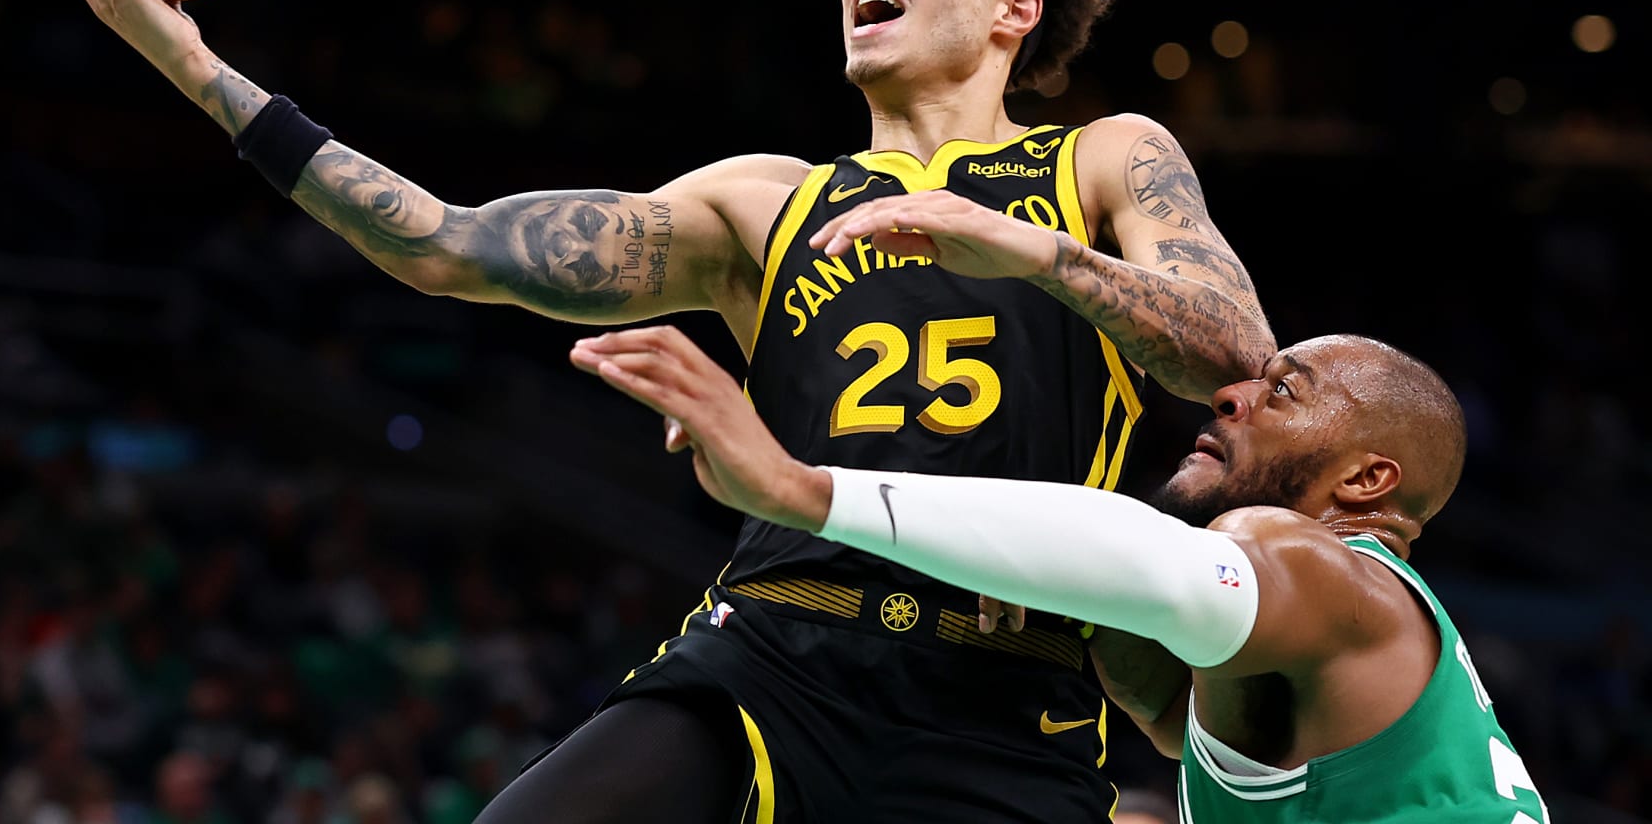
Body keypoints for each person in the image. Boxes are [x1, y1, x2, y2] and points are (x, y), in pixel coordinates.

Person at [42, 0, 1275, 822]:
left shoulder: (1105, 161)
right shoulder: (766, 200)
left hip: (1005, 698)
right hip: (781, 656)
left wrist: (1029, 249)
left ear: (1016, 9)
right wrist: (198, 67)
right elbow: (443, 244)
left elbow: (1237, 358)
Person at [571, 325, 1548, 823]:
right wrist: (1054, 579)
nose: (1234, 389)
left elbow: (1163, 575)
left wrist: (799, 486)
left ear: (1370, 479)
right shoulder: (1293, 667)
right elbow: (1163, 701)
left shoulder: (1330, 575)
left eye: (1284, 389)